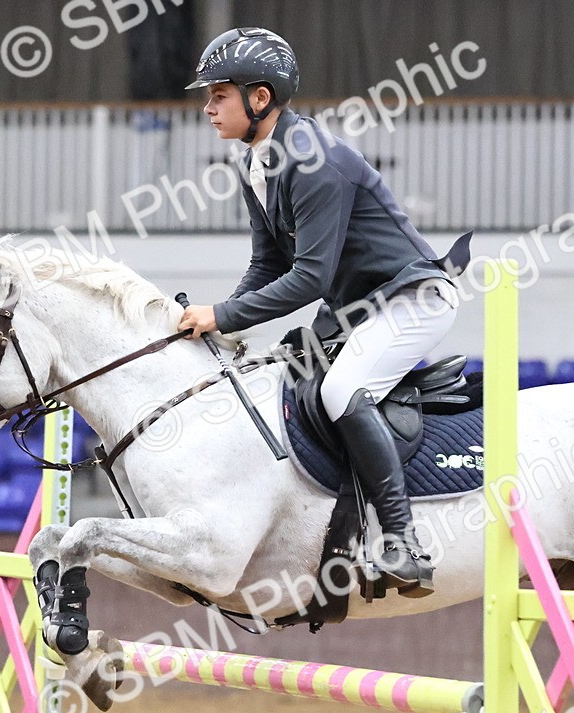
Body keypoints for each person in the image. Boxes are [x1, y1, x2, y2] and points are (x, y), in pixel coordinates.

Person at [177, 27, 462, 597]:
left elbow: (311, 278)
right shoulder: (257, 163)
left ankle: (403, 542)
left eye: (219, 95)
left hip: (411, 299)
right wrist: (221, 320)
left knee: (340, 391)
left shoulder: (312, 160)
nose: (208, 107)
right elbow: (267, 263)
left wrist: (224, 315)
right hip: (360, 310)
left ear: (260, 99)